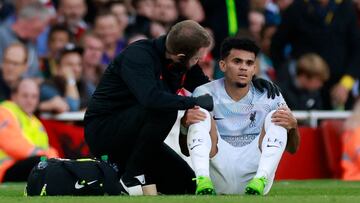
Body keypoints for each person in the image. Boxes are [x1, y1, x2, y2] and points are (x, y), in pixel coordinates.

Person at [84, 20, 280, 196]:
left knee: (187, 184)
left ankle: (135, 172)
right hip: (105, 130)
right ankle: (132, 177)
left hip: (138, 138)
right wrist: (191, 103)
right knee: (165, 109)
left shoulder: (182, 63)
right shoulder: (138, 56)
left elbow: (209, 92)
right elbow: (150, 99)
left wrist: (249, 86)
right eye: (196, 59)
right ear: (180, 56)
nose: (198, 63)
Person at [180, 37, 300, 195]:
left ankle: (261, 178)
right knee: (200, 114)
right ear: (222, 65)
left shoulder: (269, 95)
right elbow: (186, 150)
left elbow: (293, 149)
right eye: (237, 62)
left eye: (249, 63)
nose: (243, 67)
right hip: (217, 172)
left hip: (254, 173)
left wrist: (294, 126)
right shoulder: (204, 92)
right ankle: (202, 179)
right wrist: (184, 125)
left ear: (255, 68)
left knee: (276, 117)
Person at [0, 79, 58, 183]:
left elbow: (47, 148)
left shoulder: (36, 122)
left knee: (50, 163)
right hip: (5, 169)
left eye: (34, 96)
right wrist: (44, 155)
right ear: (14, 96)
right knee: (40, 161)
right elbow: (13, 145)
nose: (30, 100)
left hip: (26, 165)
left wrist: (52, 159)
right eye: (25, 96)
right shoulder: (4, 111)